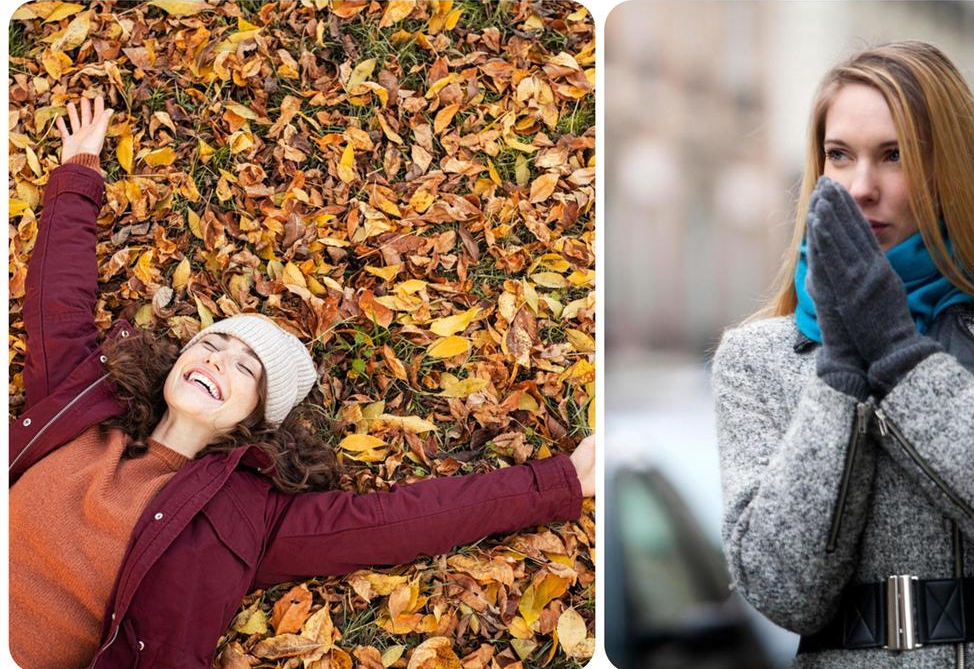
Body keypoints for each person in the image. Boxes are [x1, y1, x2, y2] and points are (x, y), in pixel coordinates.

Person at [9, 94, 596, 669]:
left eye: (245, 368)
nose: (217, 360)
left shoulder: (245, 518)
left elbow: (401, 520)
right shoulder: (84, 400)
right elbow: (57, 302)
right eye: (212, 345)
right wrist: (78, 172)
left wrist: (562, 480)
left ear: (254, 420)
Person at [712, 41, 974, 667]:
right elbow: (783, 593)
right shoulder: (757, 358)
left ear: (950, 174)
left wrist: (897, 352)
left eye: (894, 155)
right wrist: (840, 377)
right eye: (839, 156)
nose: (860, 187)